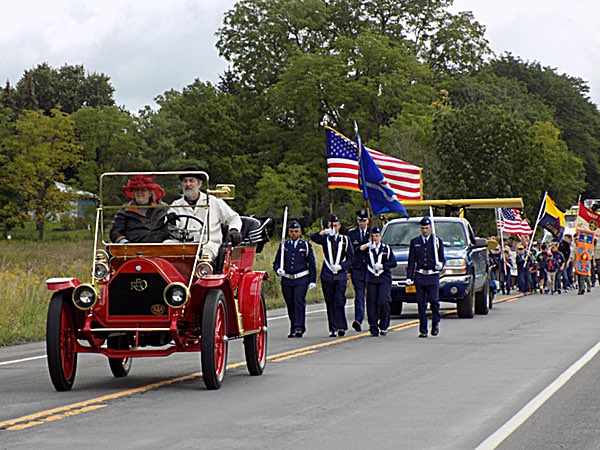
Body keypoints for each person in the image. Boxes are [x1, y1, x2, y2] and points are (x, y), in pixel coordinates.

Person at [167, 166, 242, 260]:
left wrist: (234, 230)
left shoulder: (213, 201)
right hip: (182, 244)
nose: (188, 184)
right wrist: (172, 221)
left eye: (191, 181)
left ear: (199, 184)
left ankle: (202, 272)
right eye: (185, 181)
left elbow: (233, 218)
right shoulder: (176, 205)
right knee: (165, 247)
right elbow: (171, 227)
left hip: (208, 243)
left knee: (205, 254)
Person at [310, 214, 354, 337]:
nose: (333, 228)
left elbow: (351, 258)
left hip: (340, 275)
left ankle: (341, 326)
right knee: (330, 301)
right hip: (327, 274)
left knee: (339, 300)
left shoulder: (345, 240)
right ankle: (333, 328)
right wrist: (324, 232)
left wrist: (342, 266)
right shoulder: (325, 239)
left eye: (335, 225)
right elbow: (313, 237)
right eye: (331, 225)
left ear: (339, 226)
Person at [273, 220, 317, 338]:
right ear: (288, 232)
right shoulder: (284, 246)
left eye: (296, 231)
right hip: (287, 279)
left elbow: (311, 264)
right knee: (290, 304)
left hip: (301, 278)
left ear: (300, 232)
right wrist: (278, 270)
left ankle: (299, 328)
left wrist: (313, 280)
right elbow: (276, 262)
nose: (294, 233)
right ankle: (293, 327)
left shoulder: (305, 246)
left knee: (298, 302)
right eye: (292, 231)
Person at [405, 217, 445, 338]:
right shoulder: (415, 242)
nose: (425, 230)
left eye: (427, 228)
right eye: (423, 228)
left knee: (434, 300)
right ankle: (423, 329)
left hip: (433, 275)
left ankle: (435, 323)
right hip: (420, 275)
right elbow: (411, 261)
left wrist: (441, 265)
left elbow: (442, 258)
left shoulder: (437, 241)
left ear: (430, 228)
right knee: (421, 303)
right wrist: (409, 277)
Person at [110, 175, 169, 243]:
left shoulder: (163, 208)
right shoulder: (125, 210)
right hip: (133, 249)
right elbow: (115, 232)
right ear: (133, 193)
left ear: (150, 193)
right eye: (136, 190)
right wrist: (124, 242)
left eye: (143, 190)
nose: (139, 192)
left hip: (160, 248)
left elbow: (171, 229)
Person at [360, 226, 397, 336]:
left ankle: (384, 325)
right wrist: (366, 245)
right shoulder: (368, 249)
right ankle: (373, 326)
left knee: (383, 301)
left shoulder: (386, 249)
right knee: (371, 303)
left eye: (377, 236)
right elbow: (357, 251)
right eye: (373, 236)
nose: (375, 238)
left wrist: (383, 266)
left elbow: (393, 263)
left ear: (381, 237)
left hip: (384, 278)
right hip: (371, 279)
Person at [347, 209, 370, 332]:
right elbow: (349, 252)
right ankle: (358, 320)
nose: (362, 223)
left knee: (372, 296)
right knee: (359, 296)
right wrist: (349, 270)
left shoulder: (372, 233)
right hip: (357, 269)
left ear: (368, 220)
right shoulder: (352, 234)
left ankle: (373, 319)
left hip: (371, 269)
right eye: (360, 221)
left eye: (364, 220)